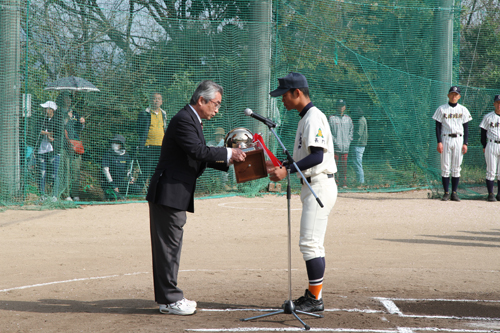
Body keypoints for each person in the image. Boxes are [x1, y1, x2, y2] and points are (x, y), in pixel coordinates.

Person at [146, 80, 246, 315]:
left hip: (174, 193)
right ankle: (170, 300)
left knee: (171, 246)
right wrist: (230, 152)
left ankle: (168, 298)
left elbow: (196, 155)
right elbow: (198, 151)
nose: (217, 109)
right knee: (168, 248)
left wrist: (227, 160)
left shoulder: (191, 119)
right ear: (201, 100)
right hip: (168, 192)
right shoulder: (183, 119)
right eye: (216, 104)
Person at [267, 72, 337, 313]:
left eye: (284, 95)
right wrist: (281, 166)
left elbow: (317, 155)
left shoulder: (313, 117)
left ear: (297, 93)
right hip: (312, 184)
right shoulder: (305, 117)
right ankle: (313, 296)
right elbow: (303, 158)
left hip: (319, 184)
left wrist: (286, 171)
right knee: (312, 244)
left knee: (310, 244)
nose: (281, 100)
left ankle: (315, 300)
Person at [432, 86, 472, 202]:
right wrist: (439, 142)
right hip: (446, 138)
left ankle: (454, 193)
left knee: (456, 167)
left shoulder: (463, 110)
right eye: (452, 94)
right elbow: (437, 127)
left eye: (456, 95)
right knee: (445, 167)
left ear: (459, 97)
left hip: (459, 139)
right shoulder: (441, 109)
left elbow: (466, 128)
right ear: (448, 95)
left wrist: (466, 143)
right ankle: (446, 192)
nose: (454, 96)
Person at [56, 92, 85, 201]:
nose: (68, 100)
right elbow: (58, 127)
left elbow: (79, 128)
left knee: (76, 170)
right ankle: (66, 194)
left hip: (75, 145)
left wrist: (82, 123)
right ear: (61, 99)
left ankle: (75, 194)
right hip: (64, 145)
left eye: (70, 98)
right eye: (66, 98)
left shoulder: (75, 112)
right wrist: (67, 118)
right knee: (65, 170)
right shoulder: (57, 112)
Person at [136, 92, 167, 189]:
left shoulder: (163, 113)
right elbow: (139, 129)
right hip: (148, 146)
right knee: (145, 168)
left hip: (161, 146)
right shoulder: (144, 113)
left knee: (157, 169)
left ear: (161, 102)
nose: (156, 100)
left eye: (159, 99)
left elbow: (164, 128)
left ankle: (154, 188)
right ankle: (139, 189)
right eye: (154, 98)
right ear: (150, 100)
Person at [101, 134, 140, 200]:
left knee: (137, 189)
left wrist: (130, 178)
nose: (114, 144)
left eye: (117, 143)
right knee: (114, 197)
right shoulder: (108, 154)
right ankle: (112, 194)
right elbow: (105, 170)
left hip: (120, 182)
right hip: (108, 183)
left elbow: (127, 170)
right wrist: (113, 185)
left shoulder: (125, 155)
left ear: (121, 145)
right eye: (113, 142)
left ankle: (120, 193)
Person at [37, 101, 63, 202]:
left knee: (54, 173)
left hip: (53, 150)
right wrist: (48, 133)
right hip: (42, 150)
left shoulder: (58, 120)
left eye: (46, 108)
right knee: (42, 172)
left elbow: (57, 132)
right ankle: (42, 195)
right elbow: (39, 130)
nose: (44, 110)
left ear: (52, 110)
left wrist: (49, 135)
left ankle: (54, 196)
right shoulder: (41, 119)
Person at [479, 95, 500, 202]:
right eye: (497, 102)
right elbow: (483, 133)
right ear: (494, 104)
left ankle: (499, 194)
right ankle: (491, 194)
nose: (499, 105)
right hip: (491, 144)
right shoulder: (488, 117)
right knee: (491, 170)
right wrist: (484, 145)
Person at [329, 99, 353, 188]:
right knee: (333, 167)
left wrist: (348, 141)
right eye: (339, 105)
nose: (341, 107)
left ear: (345, 107)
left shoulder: (348, 119)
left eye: (342, 105)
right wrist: (334, 141)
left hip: (345, 148)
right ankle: (334, 183)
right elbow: (328, 132)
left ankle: (343, 183)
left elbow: (351, 132)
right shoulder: (331, 118)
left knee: (344, 167)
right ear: (336, 106)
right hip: (335, 148)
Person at [352, 106, 368, 185]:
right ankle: (360, 180)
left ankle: (361, 182)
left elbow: (359, 133)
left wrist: (351, 138)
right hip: (361, 145)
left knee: (358, 163)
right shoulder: (363, 119)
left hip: (359, 145)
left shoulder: (360, 121)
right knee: (358, 162)